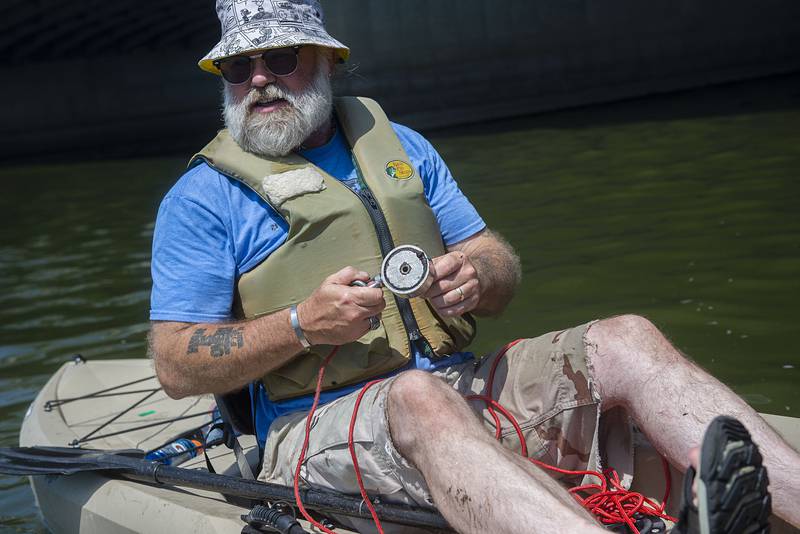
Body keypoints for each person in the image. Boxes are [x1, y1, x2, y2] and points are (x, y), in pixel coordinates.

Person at [149, 2, 798, 533]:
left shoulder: (403, 148)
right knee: (417, 396)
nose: (258, 78)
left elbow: (498, 262)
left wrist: (476, 274)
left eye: (281, 58)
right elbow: (176, 365)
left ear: (326, 61)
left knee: (628, 336)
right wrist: (300, 324)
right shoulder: (202, 199)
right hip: (312, 429)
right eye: (238, 66)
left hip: (460, 384)